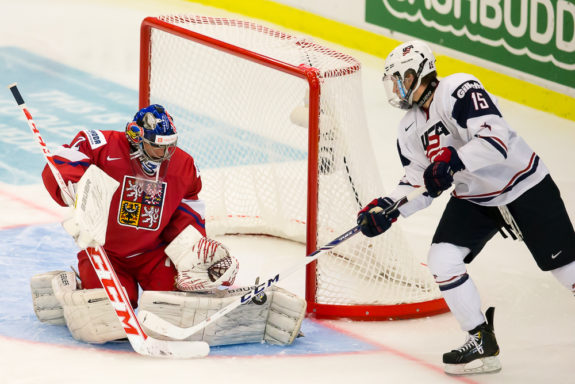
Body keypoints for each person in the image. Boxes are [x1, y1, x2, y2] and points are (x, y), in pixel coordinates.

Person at [357, 41, 575, 375]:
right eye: (394, 81)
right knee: (442, 258)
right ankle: (480, 340)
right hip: (475, 198)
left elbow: (496, 138)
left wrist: (454, 160)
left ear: (422, 72)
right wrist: (390, 208)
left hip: (523, 183)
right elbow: (419, 181)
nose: (398, 88)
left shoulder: (457, 88)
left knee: (567, 272)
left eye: (403, 77)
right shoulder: (408, 129)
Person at [30, 104, 306, 347]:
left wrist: (193, 251)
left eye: (169, 145)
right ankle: (66, 290)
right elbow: (62, 161)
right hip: (105, 252)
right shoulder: (100, 143)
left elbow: (187, 210)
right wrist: (71, 184)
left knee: (173, 313)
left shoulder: (183, 164)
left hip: (153, 254)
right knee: (105, 319)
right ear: (136, 137)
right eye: (157, 145)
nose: (165, 152)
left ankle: (244, 307)